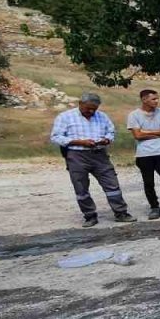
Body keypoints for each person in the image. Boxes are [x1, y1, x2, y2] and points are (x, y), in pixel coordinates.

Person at [50, 92, 137, 227]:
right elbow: (56, 137)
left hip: (99, 154)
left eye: (94, 109)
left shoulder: (102, 116)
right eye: (88, 108)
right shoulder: (65, 117)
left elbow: (111, 132)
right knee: (81, 187)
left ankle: (121, 213)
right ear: (80, 104)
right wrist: (78, 142)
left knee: (111, 184)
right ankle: (89, 216)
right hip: (76, 155)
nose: (91, 111)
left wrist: (107, 139)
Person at [126, 89, 160, 219]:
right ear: (144, 99)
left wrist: (146, 132)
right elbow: (137, 135)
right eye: (153, 99)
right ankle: (154, 207)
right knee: (148, 182)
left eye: (157, 99)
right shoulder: (134, 115)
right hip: (144, 154)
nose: (157, 101)